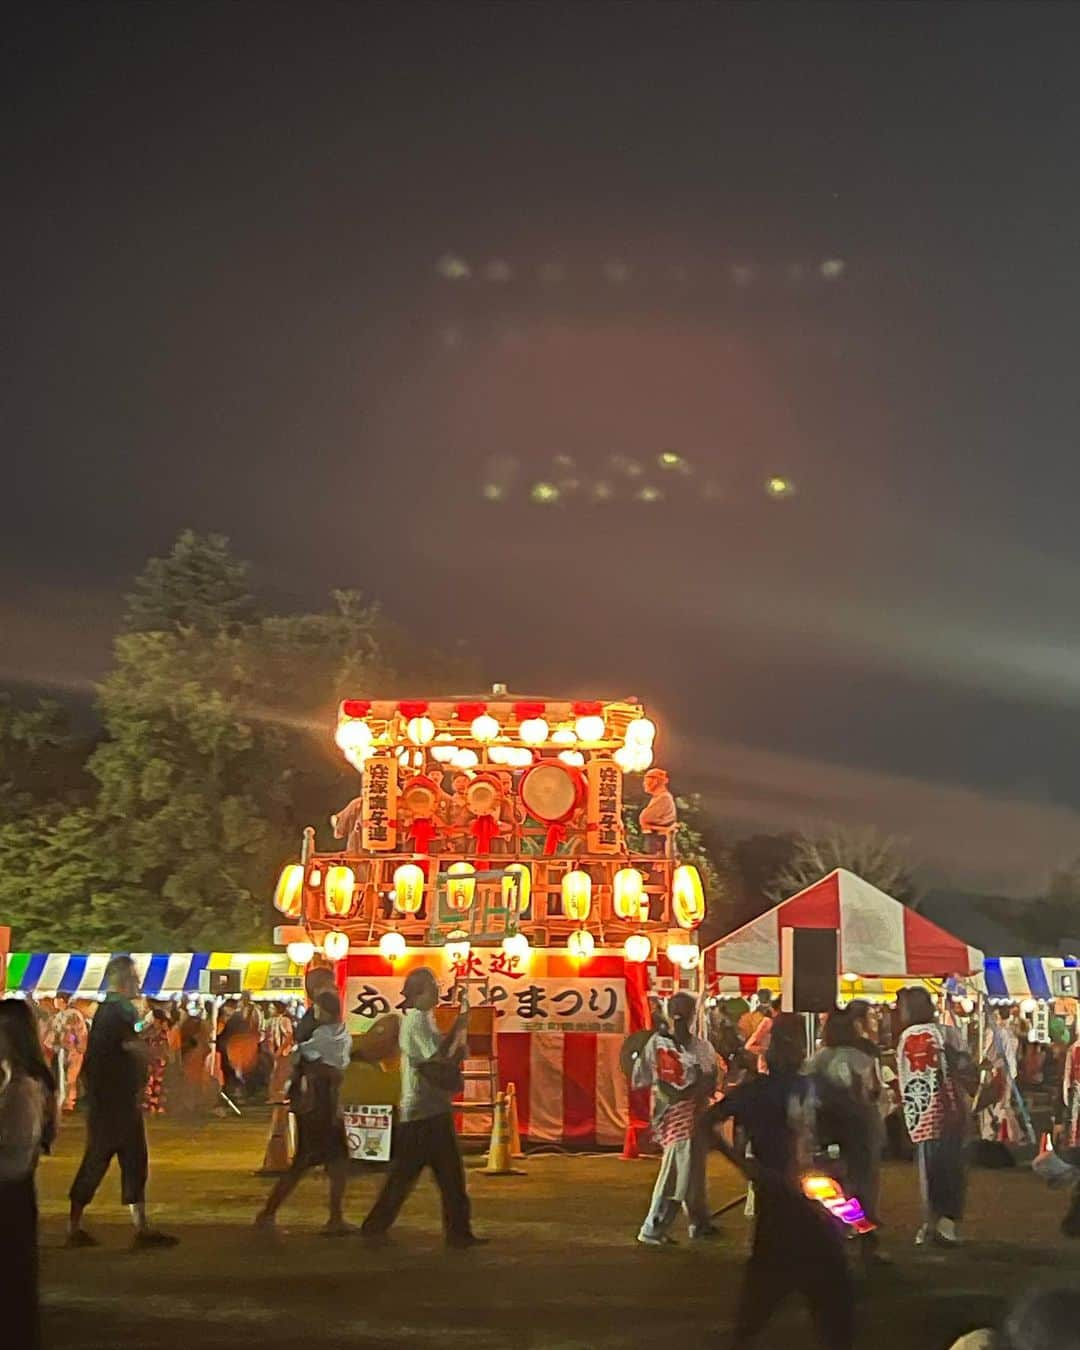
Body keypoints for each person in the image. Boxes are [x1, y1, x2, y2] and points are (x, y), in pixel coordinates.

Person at [704, 1012, 854, 1350]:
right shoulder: (762, 1090)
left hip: (808, 1193)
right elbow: (708, 1122)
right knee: (777, 1274)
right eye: (785, 1043)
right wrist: (745, 1166)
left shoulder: (809, 1086)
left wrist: (835, 1161)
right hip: (782, 1194)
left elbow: (843, 1126)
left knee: (822, 1278)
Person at [362, 967, 484, 1248]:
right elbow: (435, 1059)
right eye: (433, 989)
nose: (438, 993)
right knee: (440, 1176)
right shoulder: (416, 1021)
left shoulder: (423, 1020)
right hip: (424, 1110)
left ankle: (379, 1224)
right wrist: (456, 1049)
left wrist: (458, 1026)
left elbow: (437, 1053)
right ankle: (457, 1232)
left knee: (412, 1176)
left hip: (427, 1109)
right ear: (418, 994)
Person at [67, 955, 178, 1248]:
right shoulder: (118, 1009)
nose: (138, 983)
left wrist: (145, 1033)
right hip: (114, 1100)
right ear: (121, 979)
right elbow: (129, 1044)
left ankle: (136, 1226)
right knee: (106, 1159)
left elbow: (125, 1040)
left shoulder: (110, 1010)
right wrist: (149, 1050)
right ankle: (78, 1226)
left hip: (112, 1099)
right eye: (134, 978)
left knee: (126, 1158)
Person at [255, 990, 354, 1235]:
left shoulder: (322, 1035)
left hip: (320, 1104)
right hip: (321, 1104)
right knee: (320, 1162)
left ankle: (333, 1216)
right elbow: (325, 1065)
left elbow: (301, 1058)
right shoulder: (334, 1034)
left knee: (326, 1162)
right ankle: (270, 1214)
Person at [635, 992, 719, 1245]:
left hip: (696, 1113)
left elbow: (710, 1079)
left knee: (693, 1171)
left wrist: (688, 1092)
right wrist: (673, 1092)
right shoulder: (657, 1045)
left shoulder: (702, 1047)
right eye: (677, 1013)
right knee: (676, 1172)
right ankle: (653, 1226)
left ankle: (699, 1221)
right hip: (673, 1118)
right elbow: (648, 1078)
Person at [808, 1005, 887, 1265]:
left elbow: (809, 1094)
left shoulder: (818, 1059)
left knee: (834, 1184)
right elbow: (873, 1092)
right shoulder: (861, 1057)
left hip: (830, 1129)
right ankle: (865, 1237)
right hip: (860, 1127)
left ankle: (838, 1233)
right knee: (863, 1183)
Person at [0, 1003, 56, 1350]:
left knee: (12, 1286)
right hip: (13, 1192)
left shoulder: (22, 1089)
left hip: (9, 1194)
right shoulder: (12, 1082)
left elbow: (17, 1149)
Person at [896, 985, 970, 1248]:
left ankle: (931, 1222)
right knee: (952, 1167)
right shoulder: (948, 1033)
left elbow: (905, 1078)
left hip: (922, 1109)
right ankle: (947, 1222)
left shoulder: (907, 1037)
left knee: (930, 1170)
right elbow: (965, 1066)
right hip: (952, 1108)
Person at [981, 1006, 1022, 1145]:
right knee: (999, 1102)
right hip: (1001, 1071)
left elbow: (987, 1053)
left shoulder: (1001, 1032)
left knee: (998, 1103)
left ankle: (998, 1133)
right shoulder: (1002, 1033)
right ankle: (1000, 1133)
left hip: (1001, 1071)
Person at [51, 994, 89, 1112]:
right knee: (65, 1077)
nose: (54, 1002)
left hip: (71, 1049)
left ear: (61, 1000)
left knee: (69, 1077)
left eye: (56, 999)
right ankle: (67, 1102)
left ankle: (69, 1102)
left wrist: (77, 1047)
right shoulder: (61, 1015)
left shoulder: (72, 1014)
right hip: (65, 1049)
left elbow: (77, 1033)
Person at [638, 768, 677, 855]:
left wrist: (647, 824)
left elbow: (645, 818)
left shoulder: (664, 797)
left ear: (655, 781)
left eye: (646, 780)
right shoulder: (658, 798)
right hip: (654, 840)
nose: (644, 784)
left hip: (659, 842)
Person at [264, 1000, 296, 1101]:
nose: (270, 1010)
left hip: (284, 1052)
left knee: (282, 1074)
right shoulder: (271, 1021)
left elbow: (289, 1036)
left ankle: (281, 1096)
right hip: (274, 1051)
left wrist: (280, 1049)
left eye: (272, 1008)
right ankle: (274, 1096)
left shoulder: (284, 1020)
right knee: (275, 1074)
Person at [142, 1007, 170, 1114]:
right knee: (150, 1085)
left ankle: (156, 1107)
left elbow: (163, 1050)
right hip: (152, 1063)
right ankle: (151, 1107)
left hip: (159, 1064)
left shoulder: (162, 1034)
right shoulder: (151, 1031)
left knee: (157, 1086)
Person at [1062, 1032, 1080, 1153]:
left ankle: (1073, 1142)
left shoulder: (1073, 1048)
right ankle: (1073, 1142)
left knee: (1074, 1117)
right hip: (1076, 1085)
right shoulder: (1074, 1048)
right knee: (1073, 1117)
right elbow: (1068, 1070)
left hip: (1076, 1085)